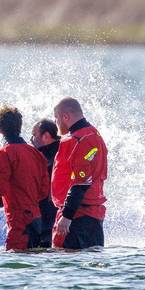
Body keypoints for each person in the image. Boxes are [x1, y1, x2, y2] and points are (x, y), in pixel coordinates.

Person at [0, 106, 50, 250]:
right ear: (20, 127)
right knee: (33, 258)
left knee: (14, 258)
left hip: (18, 220)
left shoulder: (3, 154)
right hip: (36, 218)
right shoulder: (36, 154)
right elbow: (44, 191)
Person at [50, 97, 108, 249]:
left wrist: (67, 216)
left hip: (79, 217)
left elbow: (81, 183)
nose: (56, 123)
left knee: (67, 261)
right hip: (87, 216)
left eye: (56, 118)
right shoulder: (93, 134)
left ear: (66, 117)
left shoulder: (81, 139)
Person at [31, 118, 60, 231]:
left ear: (46, 136)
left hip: (50, 216)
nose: (31, 139)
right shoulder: (64, 148)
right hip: (60, 215)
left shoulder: (45, 157)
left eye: (34, 135)